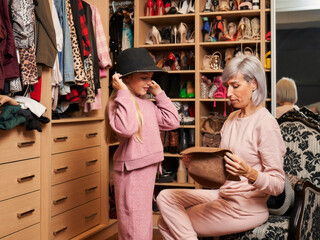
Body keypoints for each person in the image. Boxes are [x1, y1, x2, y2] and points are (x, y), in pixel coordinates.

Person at [156, 55, 286, 239]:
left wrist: (249, 172)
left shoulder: (265, 124)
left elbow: (278, 185)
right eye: (227, 87)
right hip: (223, 195)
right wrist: (197, 164)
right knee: (165, 198)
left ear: (254, 84)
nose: (228, 94)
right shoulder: (232, 119)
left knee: (165, 222)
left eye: (235, 86)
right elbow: (221, 171)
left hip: (247, 208)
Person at [105, 47, 180, 240]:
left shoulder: (147, 103)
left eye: (151, 78)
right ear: (125, 78)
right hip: (131, 171)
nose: (149, 83)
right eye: (144, 78)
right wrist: (122, 92)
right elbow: (128, 129)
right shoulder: (119, 104)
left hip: (146, 168)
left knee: (142, 221)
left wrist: (160, 94)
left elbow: (173, 121)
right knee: (133, 223)